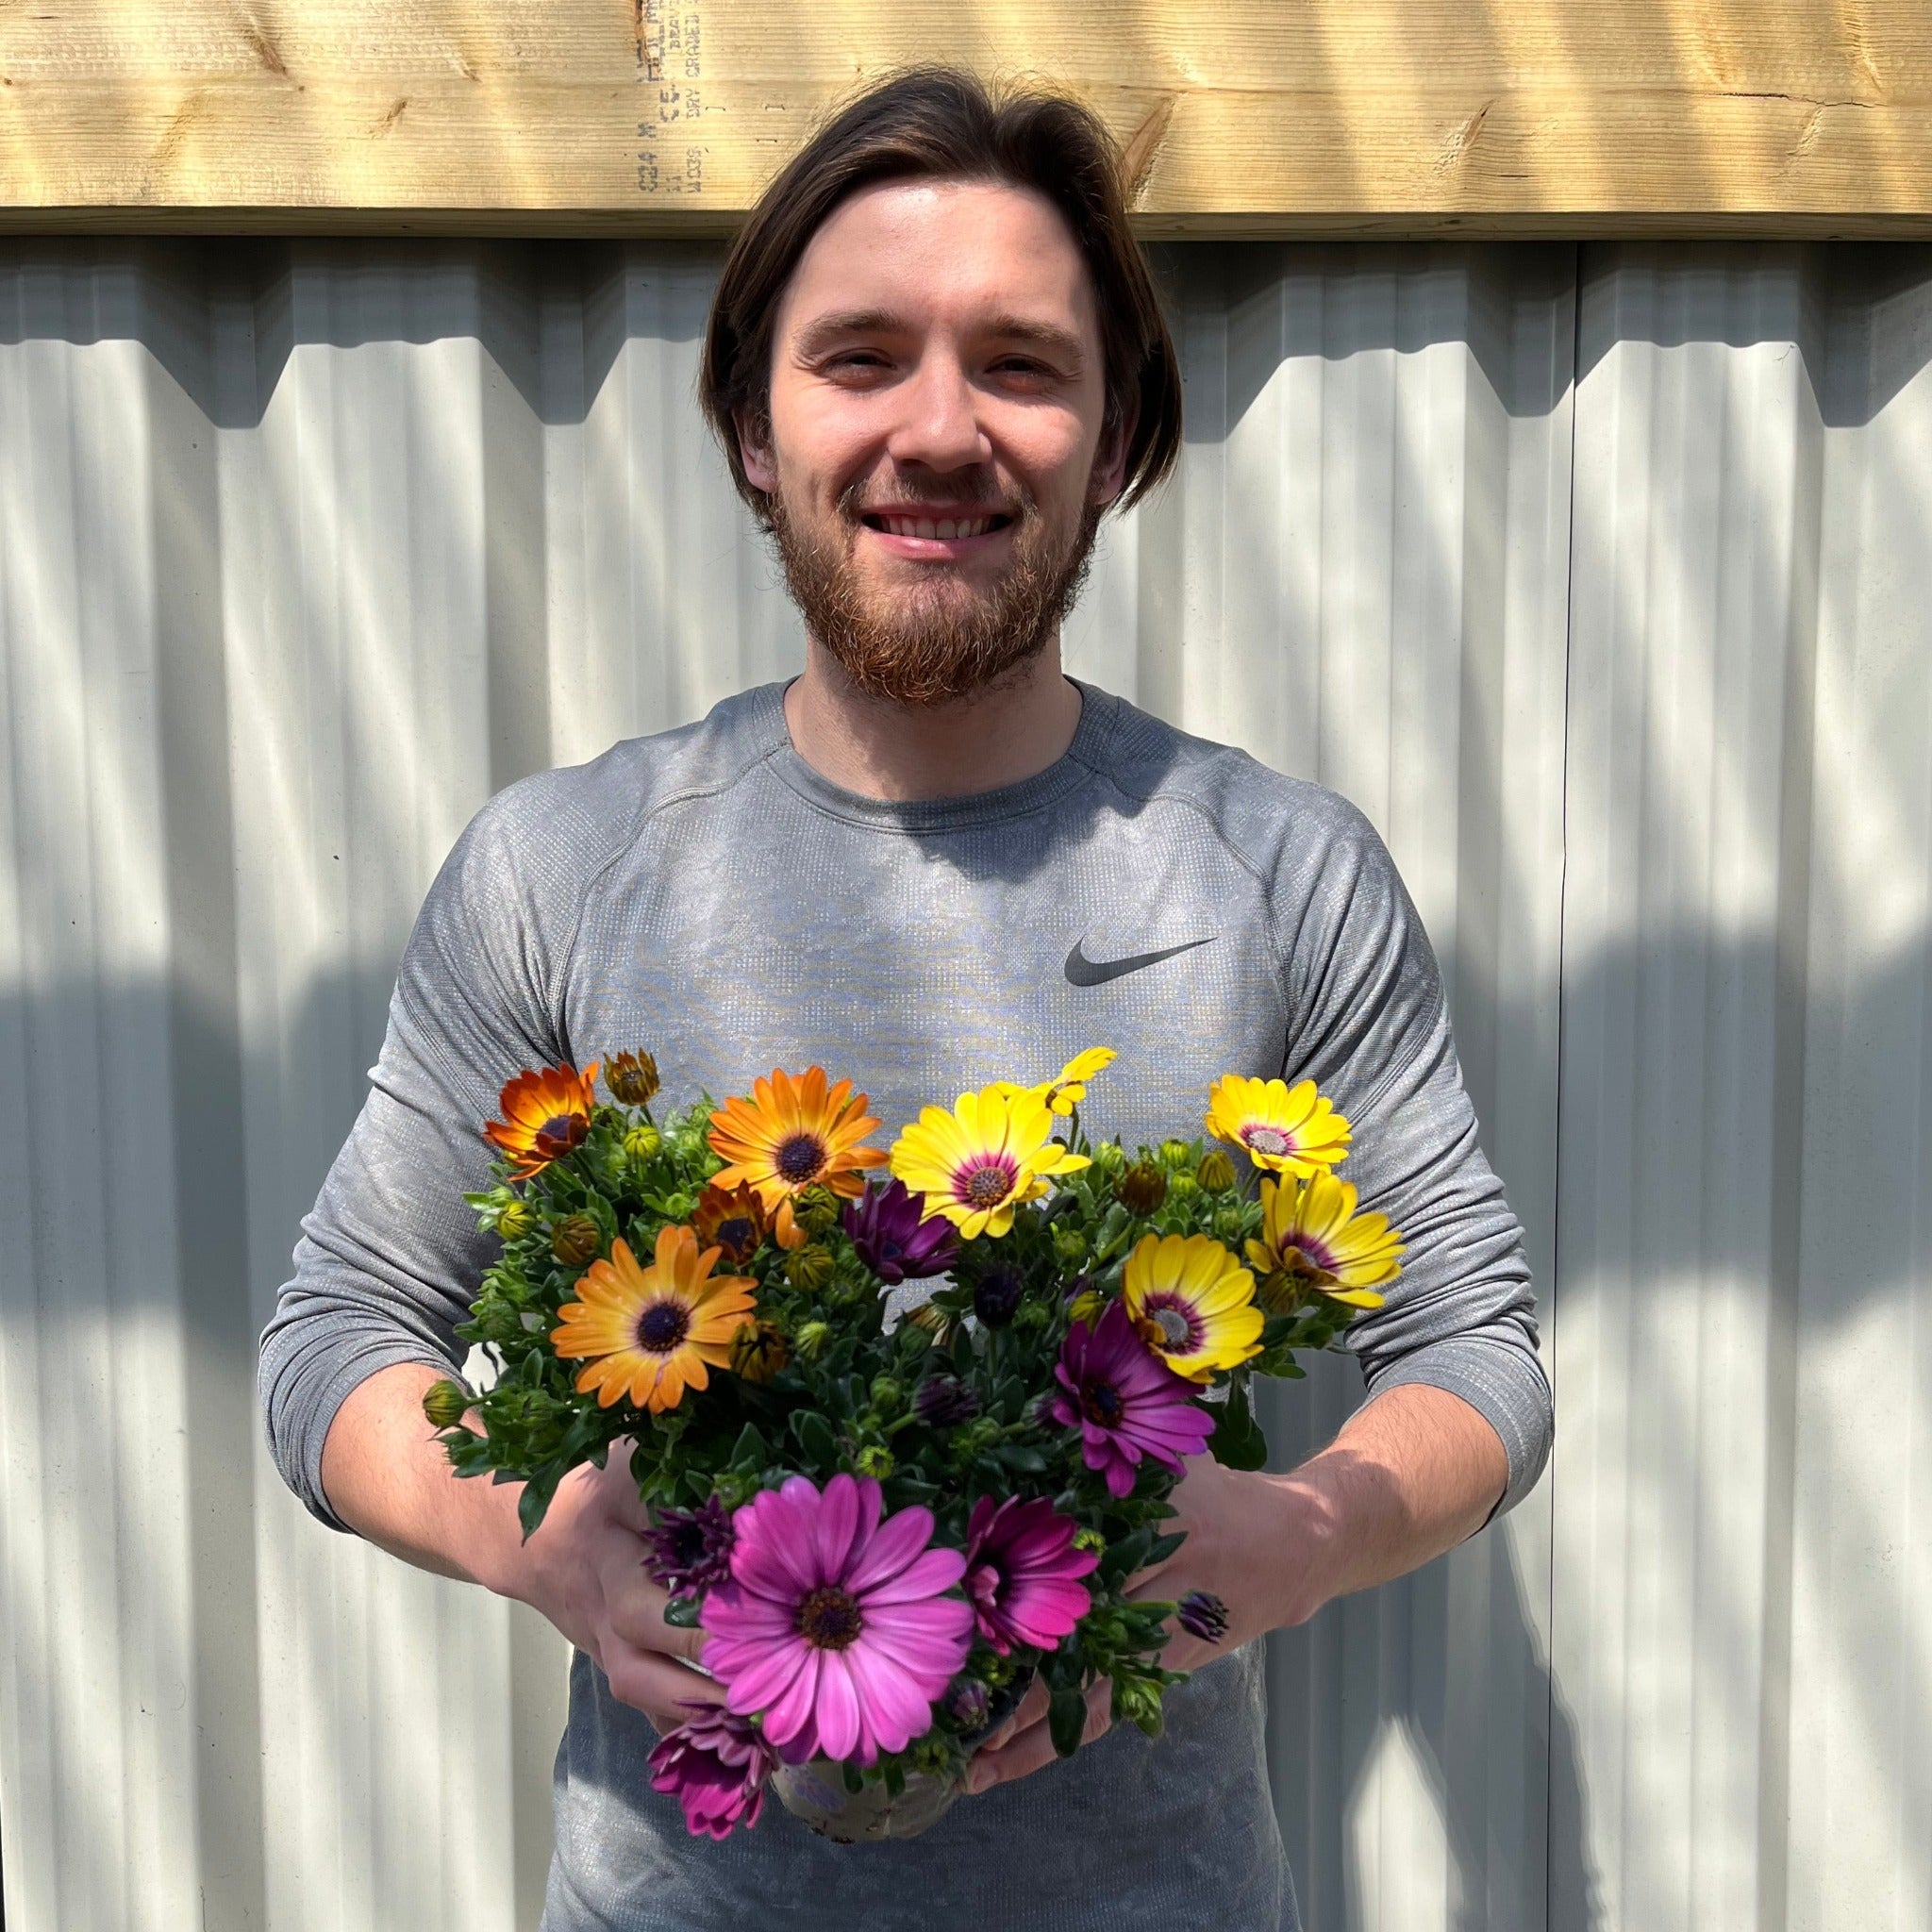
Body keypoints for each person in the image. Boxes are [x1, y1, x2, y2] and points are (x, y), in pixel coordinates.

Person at [258, 67, 1550, 1932]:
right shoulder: (563, 866)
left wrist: (1286, 1538)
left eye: (1020, 363)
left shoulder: (1275, 867)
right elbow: (336, 1335)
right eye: (859, 356)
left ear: (1119, 441)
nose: (939, 429)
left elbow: (1476, 1350)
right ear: (750, 429)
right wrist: (531, 1537)